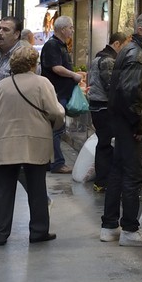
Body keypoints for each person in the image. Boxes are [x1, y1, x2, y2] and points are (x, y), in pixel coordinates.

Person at [0, 43, 65, 244]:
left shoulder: (2, 85)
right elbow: (55, 112)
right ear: (34, 64)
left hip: (5, 142)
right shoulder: (42, 83)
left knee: (2, 189)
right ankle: (38, 231)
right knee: (37, 188)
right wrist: (54, 125)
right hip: (36, 142)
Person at [101, 12, 142, 246]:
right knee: (133, 175)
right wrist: (138, 123)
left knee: (118, 172)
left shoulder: (131, 50)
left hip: (121, 121)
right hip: (129, 123)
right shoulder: (137, 55)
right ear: (139, 30)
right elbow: (131, 91)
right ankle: (129, 229)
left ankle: (109, 225)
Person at [85, 24, 129, 194]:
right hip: (103, 108)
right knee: (105, 145)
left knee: (103, 143)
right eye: (125, 46)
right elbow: (112, 86)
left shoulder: (99, 57)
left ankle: (102, 181)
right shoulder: (109, 61)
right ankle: (103, 181)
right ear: (117, 44)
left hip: (97, 108)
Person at [39, 15, 84, 174]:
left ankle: (51, 161)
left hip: (62, 93)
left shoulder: (62, 45)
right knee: (56, 129)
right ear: (63, 29)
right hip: (56, 95)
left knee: (56, 129)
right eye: (70, 28)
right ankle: (56, 163)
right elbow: (56, 67)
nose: (72, 30)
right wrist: (73, 75)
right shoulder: (52, 46)